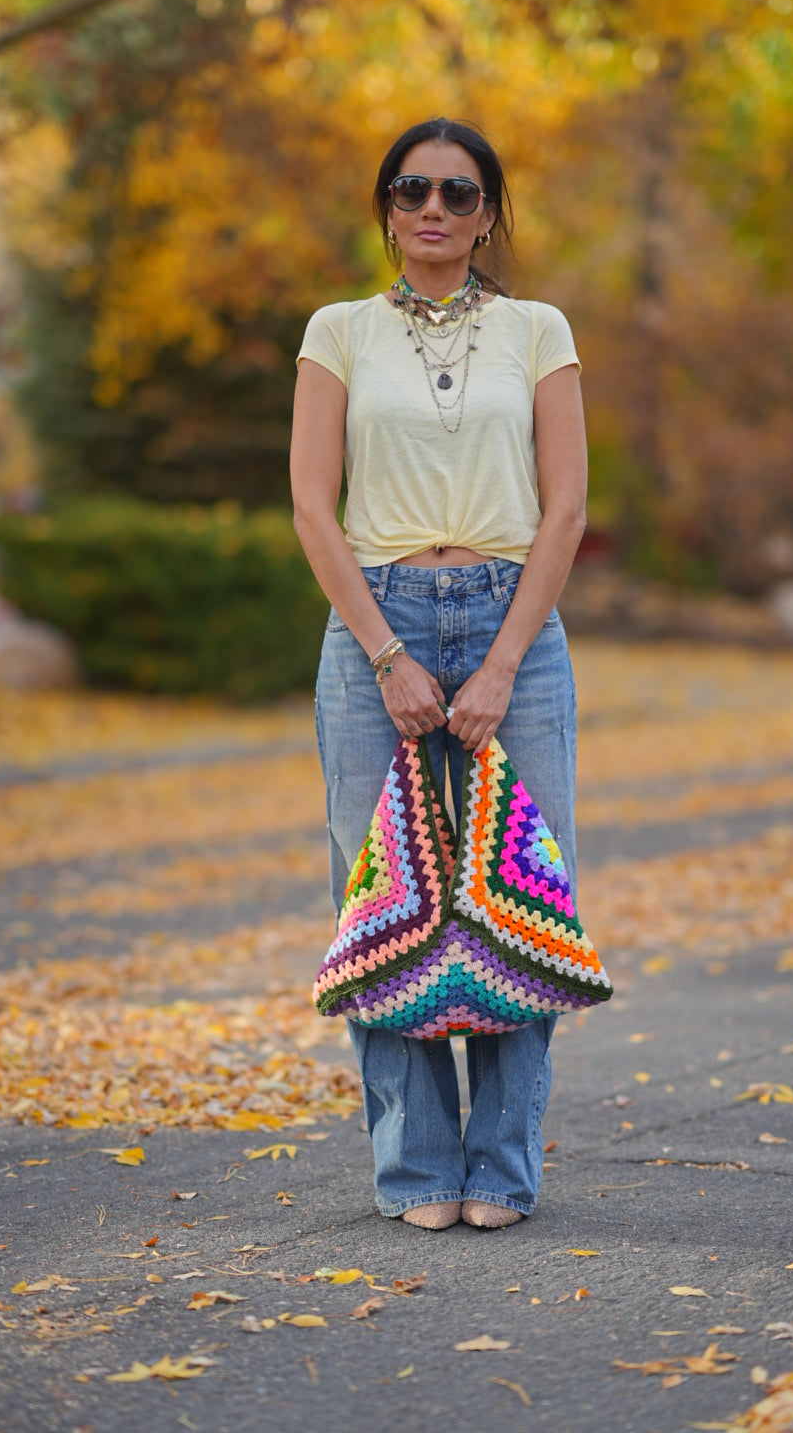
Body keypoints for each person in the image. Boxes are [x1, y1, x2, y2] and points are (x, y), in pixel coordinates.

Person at [290, 116, 587, 1231]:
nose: (433, 208)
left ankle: (502, 1169)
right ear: (386, 206)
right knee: (382, 900)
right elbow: (314, 506)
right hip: (379, 622)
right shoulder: (340, 332)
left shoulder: (538, 331)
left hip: (518, 629)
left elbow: (565, 506)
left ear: (488, 215)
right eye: (412, 189)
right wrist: (387, 656)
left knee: (521, 895)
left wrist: (504, 660)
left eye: (459, 195)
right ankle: (417, 1169)